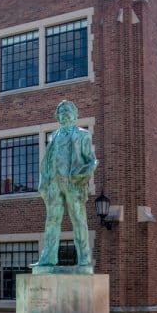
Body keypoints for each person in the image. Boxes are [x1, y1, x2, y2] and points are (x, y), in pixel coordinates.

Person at [35, 100, 98, 268]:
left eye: (68, 110)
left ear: (75, 115)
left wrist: (83, 174)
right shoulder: (53, 136)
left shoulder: (82, 135)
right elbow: (48, 161)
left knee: (78, 220)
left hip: (73, 183)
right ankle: (48, 257)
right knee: (52, 221)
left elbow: (91, 161)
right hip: (54, 183)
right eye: (61, 111)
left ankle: (84, 258)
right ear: (58, 116)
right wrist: (45, 183)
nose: (64, 113)